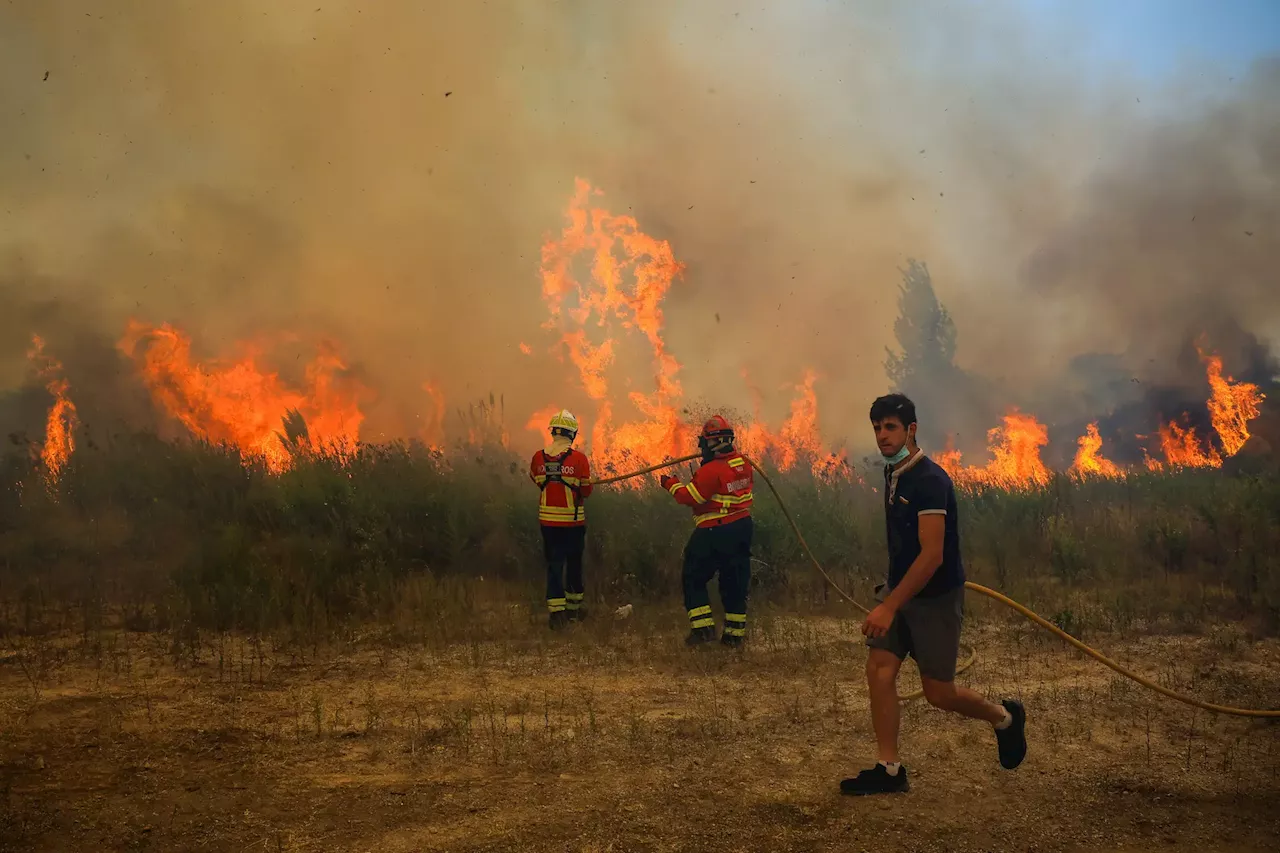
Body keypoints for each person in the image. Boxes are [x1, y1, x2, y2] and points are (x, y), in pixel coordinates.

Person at [841, 393, 1027, 795]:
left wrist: (889, 606)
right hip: (901, 592)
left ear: (911, 430)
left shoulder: (930, 481)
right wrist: (892, 597)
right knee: (880, 669)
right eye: (876, 428)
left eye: (890, 427)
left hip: (934, 598)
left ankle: (1004, 718)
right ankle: (889, 770)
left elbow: (931, 556)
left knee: (938, 694)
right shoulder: (894, 473)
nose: (882, 436)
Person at [660, 415, 754, 648]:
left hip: (715, 531)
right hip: (742, 527)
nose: (701, 447)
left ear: (712, 443)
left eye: (703, 442)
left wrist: (670, 483)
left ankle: (702, 631)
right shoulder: (743, 463)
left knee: (693, 577)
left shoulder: (712, 470)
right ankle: (734, 637)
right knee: (734, 583)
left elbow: (690, 497)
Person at [529, 409, 593, 629]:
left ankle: (556, 616)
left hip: (548, 524)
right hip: (573, 524)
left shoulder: (538, 457)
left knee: (554, 566)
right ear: (572, 434)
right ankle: (574, 611)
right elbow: (587, 491)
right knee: (574, 565)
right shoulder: (579, 459)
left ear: (553, 432)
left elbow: (537, 480)